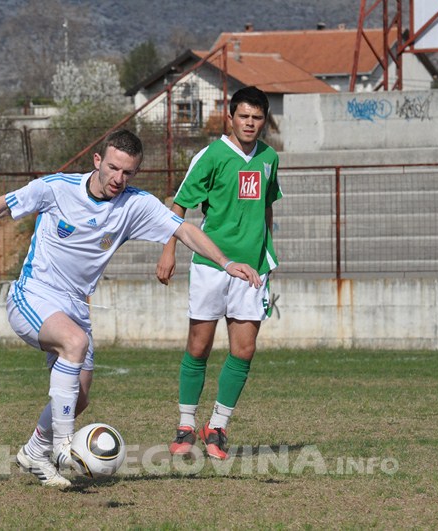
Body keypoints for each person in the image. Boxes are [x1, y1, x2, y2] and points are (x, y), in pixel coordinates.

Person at [0, 129, 261, 488]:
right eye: (112, 168)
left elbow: (185, 230)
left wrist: (225, 261)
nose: (118, 178)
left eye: (127, 173)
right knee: (74, 343)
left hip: (76, 305)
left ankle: (34, 451)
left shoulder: (134, 204)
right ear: (97, 161)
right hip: (33, 294)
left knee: (79, 398)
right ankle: (63, 446)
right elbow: (3, 204)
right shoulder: (57, 188)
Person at [155, 86, 283, 460]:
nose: (250, 123)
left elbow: (267, 207)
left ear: (264, 121)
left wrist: (268, 252)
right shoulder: (211, 155)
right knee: (199, 345)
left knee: (244, 350)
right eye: (244, 116)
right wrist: (169, 250)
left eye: (257, 118)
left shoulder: (270, 158)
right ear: (231, 117)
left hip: (253, 270)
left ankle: (218, 427)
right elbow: (178, 205)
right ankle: (185, 424)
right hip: (212, 266)